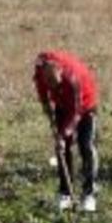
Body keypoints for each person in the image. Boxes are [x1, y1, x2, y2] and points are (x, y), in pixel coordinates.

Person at [34, 50, 100, 212]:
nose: (51, 86)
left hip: (85, 106)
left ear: (60, 74)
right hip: (62, 105)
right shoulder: (41, 69)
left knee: (86, 146)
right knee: (62, 150)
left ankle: (89, 193)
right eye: (49, 83)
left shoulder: (72, 79)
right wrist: (46, 106)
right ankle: (66, 193)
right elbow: (41, 90)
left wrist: (63, 135)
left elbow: (76, 113)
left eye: (54, 84)